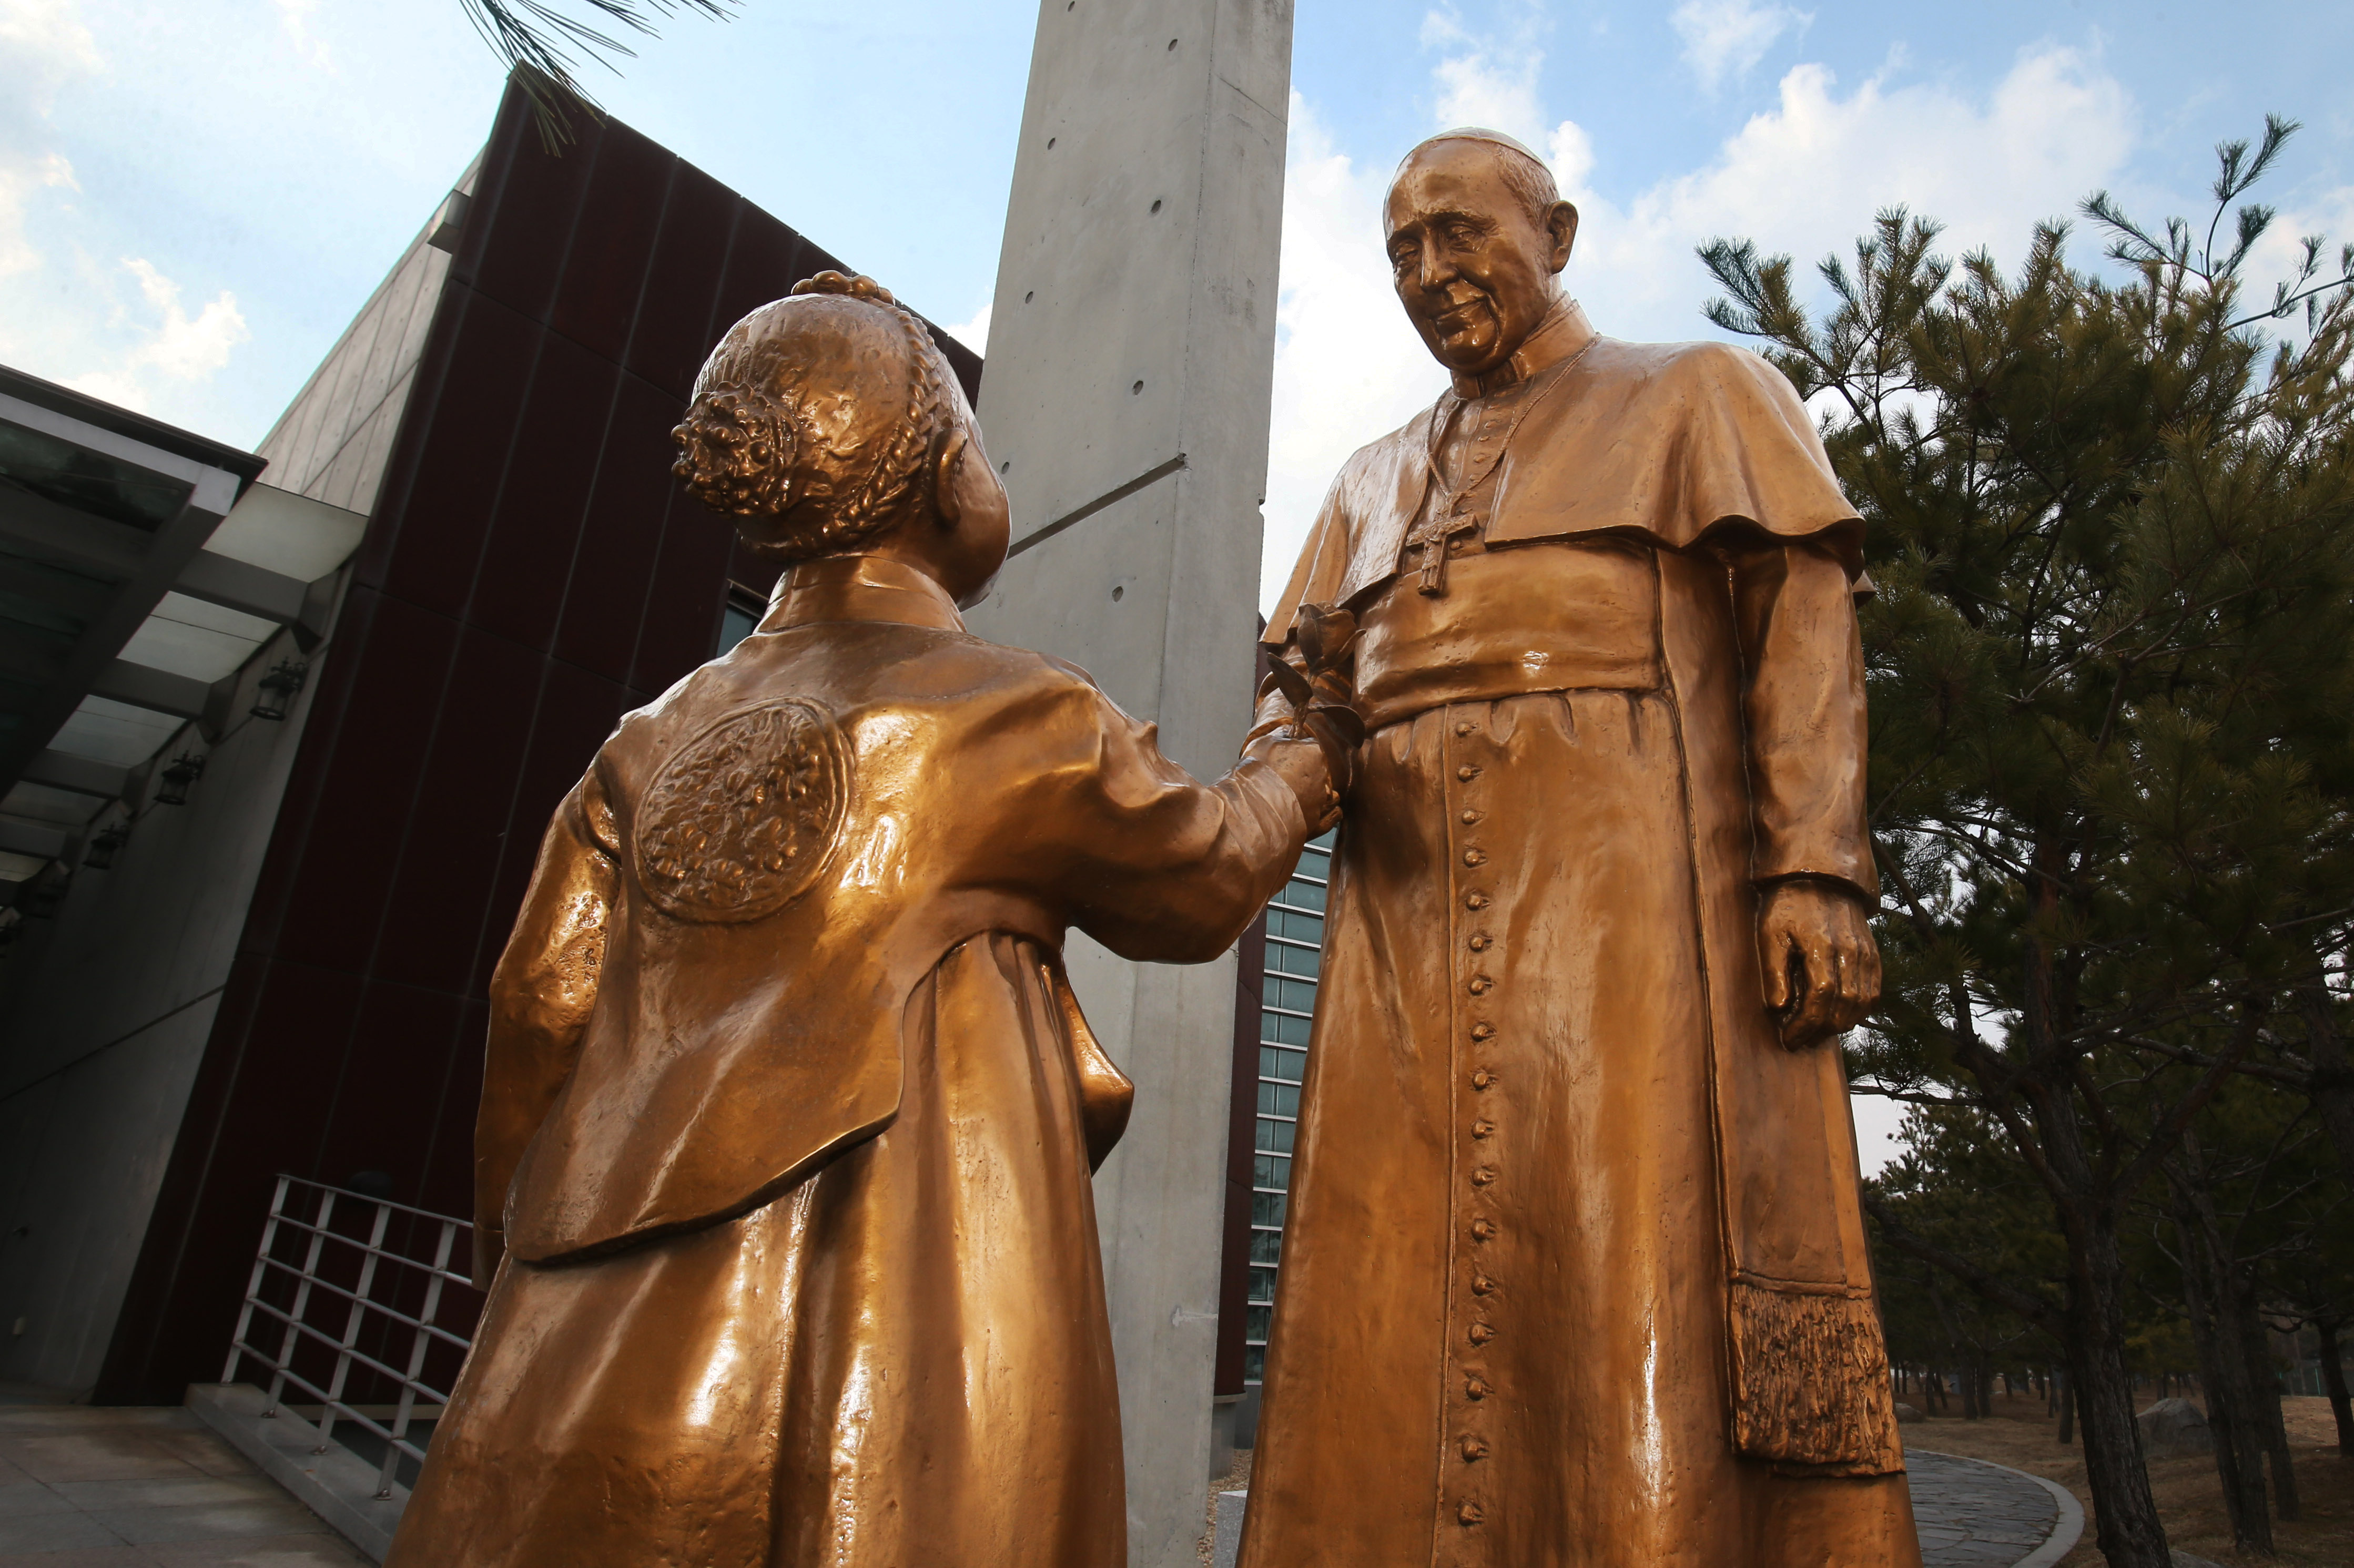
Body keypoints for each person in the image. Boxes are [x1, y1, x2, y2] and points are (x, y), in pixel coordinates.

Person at [387, 272, 1346, 1568]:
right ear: (955, 478)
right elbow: (1209, 876)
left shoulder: (641, 745)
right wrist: (1308, 753)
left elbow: (537, 1010)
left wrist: (527, 1259)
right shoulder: (1009, 716)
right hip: (894, 1322)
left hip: (578, 1352)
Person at [1236, 131, 1925, 1566]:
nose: (1429, 273)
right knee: (1390, 1289)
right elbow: (1308, 699)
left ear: (1551, 230)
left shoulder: (1697, 391)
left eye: (1456, 233)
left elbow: (1799, 618)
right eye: (1400, 252)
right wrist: (1250, 810)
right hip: (1400, 945)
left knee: (1624, 1274)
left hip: (1625, 910)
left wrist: (1813, 865)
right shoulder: (1367, 478)